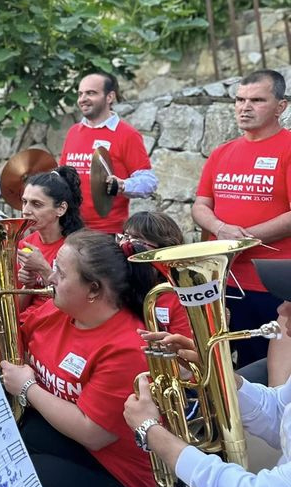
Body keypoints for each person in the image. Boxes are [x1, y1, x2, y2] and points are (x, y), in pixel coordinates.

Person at [90, 257, 291, 487]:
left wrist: (151, 430)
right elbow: (279, 412)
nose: (280, 309)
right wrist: (215, 372)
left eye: (290, 302)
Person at [0, 230, 158, 487]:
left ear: (93, 290)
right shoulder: (58, 309)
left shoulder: (127, 347)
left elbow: (93, 433)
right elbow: (16, 341)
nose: (50, 277)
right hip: (63, 438)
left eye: (60, 272)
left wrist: (28, 387)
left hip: (114, 472)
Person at [193, 69, 291, 373]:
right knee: (218, 367)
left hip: (270, 285)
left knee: (266, 371)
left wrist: (241, 239)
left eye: (257, 100)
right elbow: (201, 205)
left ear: (281, 106)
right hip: (220, 282)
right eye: (239, 100)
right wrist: (221, 229)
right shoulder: (222, 152)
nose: (245, 107)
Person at [59, 72, 157, 233]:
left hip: (107, 233)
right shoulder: (73, 132)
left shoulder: (127, 134)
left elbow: (149, 182)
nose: (83, 99)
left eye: (91, 93)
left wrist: (122, 185)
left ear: (110, 97)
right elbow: (62, 176)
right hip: (70, 228)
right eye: (80, 94)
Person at [117, 210, 192, 339]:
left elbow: (184, 344)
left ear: (163, 249)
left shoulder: (176, 295)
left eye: (137, 240)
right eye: (125, 236)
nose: (125, 244)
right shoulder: (114, 284)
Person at [16, 166, 84, 306]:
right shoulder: (24, 245)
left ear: (61, 209)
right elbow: (18, 309)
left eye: (37, 204)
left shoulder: (79, 247)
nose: (26, 211)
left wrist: (43, 269)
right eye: (24, 202)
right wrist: (28, 285)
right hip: (30, 318)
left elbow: (77, 304)